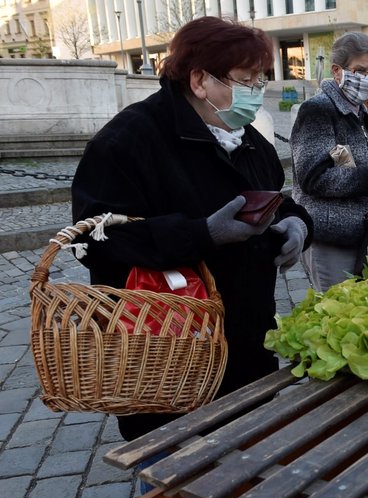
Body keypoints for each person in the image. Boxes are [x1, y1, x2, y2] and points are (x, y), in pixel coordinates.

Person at [71, 16, 314, 444]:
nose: (256, 92)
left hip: (245, 344)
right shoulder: (129, 140)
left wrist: (297, 222)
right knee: (176, 478)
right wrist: (202, 234)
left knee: (247, 458)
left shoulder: (247, 137)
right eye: (245, 80)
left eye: (260, 80)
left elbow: (274, 198)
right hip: (167, 354)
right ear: (200, 80)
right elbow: (92, 239)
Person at [290, 32, 368, 291]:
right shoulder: (318, 110)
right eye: (359, 70)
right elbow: (313, 178)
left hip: (365, 236)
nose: (367, 78)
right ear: (337, 71)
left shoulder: (365, 117)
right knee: (336, 311)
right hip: (330, 239)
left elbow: (346, 164)